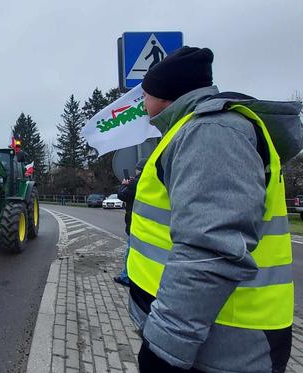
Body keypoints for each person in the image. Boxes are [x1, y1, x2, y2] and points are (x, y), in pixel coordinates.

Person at [127, 46, 301, 373]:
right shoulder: (194, 130)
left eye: (145, 96)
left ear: (163, 96)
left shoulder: (212, 132)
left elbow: (209, 251)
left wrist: (164, 348)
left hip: (225, 341)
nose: (143, 106)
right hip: (209, 334)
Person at [113, 159, 145, 287]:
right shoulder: (150, 181)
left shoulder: (135, 183)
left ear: (139, 169)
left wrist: (124, 184)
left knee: (130, 252)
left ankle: (126, 277)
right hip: (146, 224)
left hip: (135, 223)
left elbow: (122, 195)